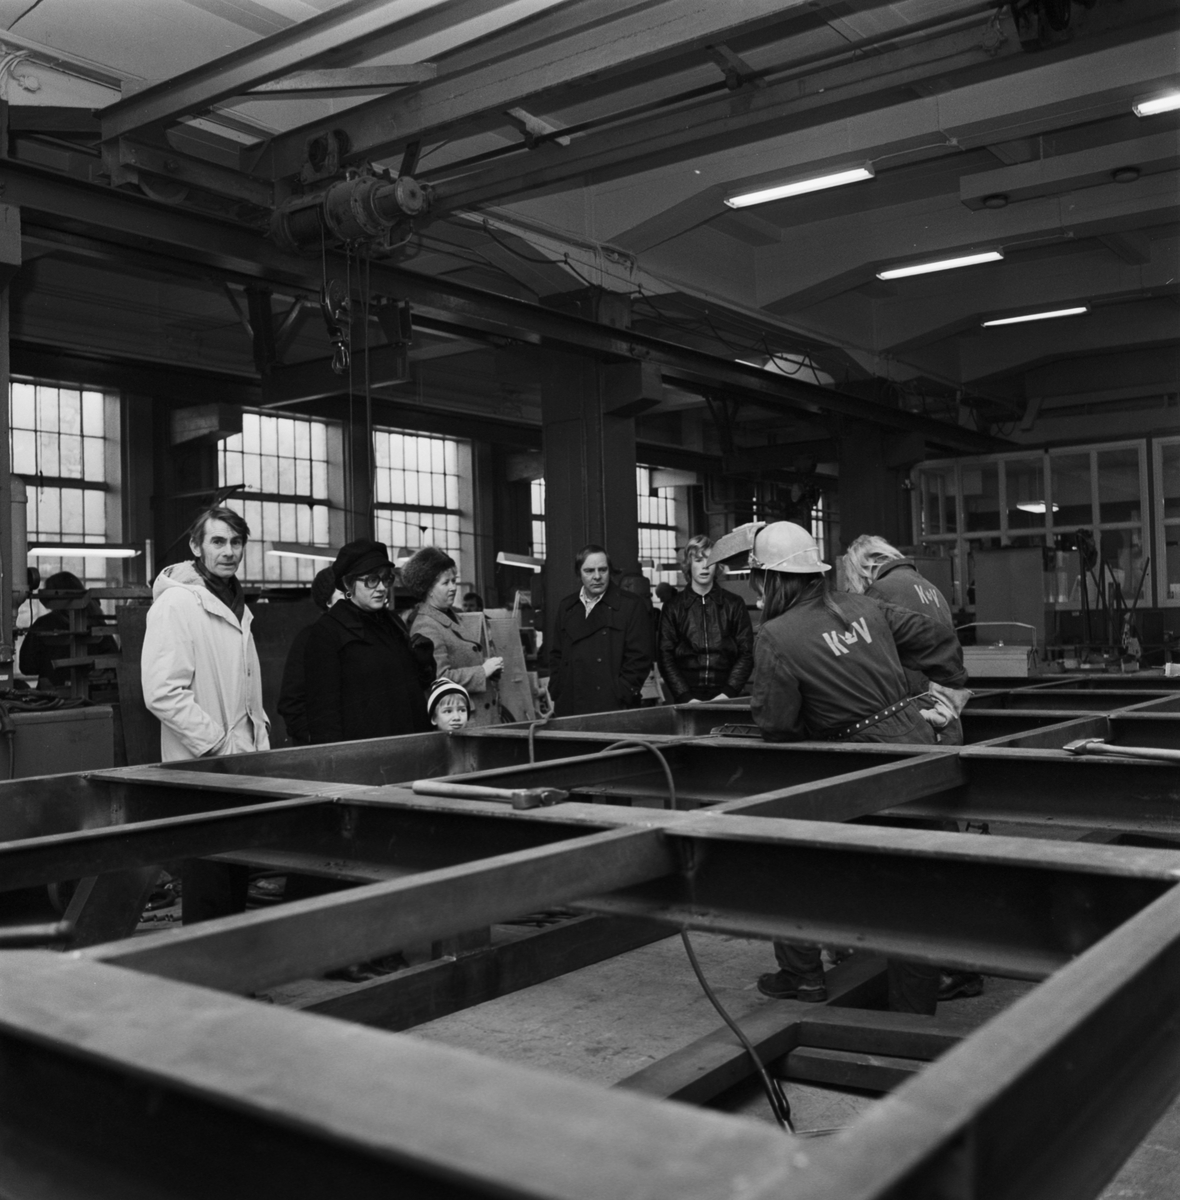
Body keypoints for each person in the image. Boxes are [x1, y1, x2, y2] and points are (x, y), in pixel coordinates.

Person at [710, 520, 970, 1014]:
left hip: (860, 764)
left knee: (791, 861)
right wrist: (948, 691)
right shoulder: (865, 605)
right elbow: (937, 639)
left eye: (757, 580)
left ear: (770, 580)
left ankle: (805, 974)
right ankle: (912, 1020)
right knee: (915, 892)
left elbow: (777, 724)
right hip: (917, 748)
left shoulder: (776, 636)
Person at [141, 506, 270, 761]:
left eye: (236, 542)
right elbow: (163, 693)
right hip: (205, 760)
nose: (229, 552)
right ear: (196, 546)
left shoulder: (237, 606)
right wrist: (218, 745)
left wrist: (261, 731)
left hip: (246, 755)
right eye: (218, 542)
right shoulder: (175, 603)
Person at [304, 539, 433, 744]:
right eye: (372, 580)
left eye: (385, 579)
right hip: (365, 751)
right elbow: (323, 712)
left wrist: (424, 664)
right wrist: (333, 757)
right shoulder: (328, 632)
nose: (381, 588)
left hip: (409, 743)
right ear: (349, 584)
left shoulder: (393, 624)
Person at [843, 535, 962, 744]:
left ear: (860, 569)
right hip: (945, 715)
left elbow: (865, 659)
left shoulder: (880, 591)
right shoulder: (930, 587)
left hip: (916, 719)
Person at [546, 545, 652, 717]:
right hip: (569, 704)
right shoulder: (567, 606)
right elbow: (556, 653)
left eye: (602, 570)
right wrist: (557, 688)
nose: (597, 576)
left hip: (612, 706)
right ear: (579, 573)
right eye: (589, 571)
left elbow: (640, 659)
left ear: (610, 571)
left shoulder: (630, 605)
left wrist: (622, 692)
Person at [402, 547, 503, 727]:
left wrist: (489, 669)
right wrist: (482, 671)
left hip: (479, 715)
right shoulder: (426, 626)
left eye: (454, 581)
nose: (453, 587)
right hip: (463, 720)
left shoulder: (451, 616)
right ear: (428, 588)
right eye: (446, 583)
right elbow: (439, 677)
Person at [658, 534, 754, 704]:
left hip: (726, 695)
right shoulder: (673, 607)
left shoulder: (734, 604)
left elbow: (747, 653)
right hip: (686, 697)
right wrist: (686, 697)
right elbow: (665, 657)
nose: (705, 566)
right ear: (689, 564)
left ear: (717, 565)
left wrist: (728, 693)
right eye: (698, 560)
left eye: (710, 560)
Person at [20, 570, 118, 691]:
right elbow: (113, 662)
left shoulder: (44, 624)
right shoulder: (97, 623)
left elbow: (27, 666)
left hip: (52, 695)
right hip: (93, 694)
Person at [276, 566, 339, 745]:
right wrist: (312, 738)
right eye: (343, 593)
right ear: (328, 601)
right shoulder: (309, 638)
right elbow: (290, 701)